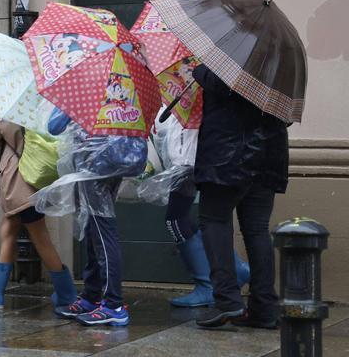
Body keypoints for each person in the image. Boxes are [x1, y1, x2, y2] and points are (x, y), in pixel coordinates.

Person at [192, 64, 287, 329]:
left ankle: (227, 300)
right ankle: (265, 307)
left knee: (214, 220)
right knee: (257, 229)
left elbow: (218, 82)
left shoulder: (233, 55)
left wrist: (199, 70)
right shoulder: (281, 64)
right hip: (269, 153)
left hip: (228, 153)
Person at [0, 107, 77, 312]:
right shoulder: (37, 103)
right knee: (9, 227)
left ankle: (66, 294)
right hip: (35, 176)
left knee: (40, 236)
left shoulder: (3, 108)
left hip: (19, 182)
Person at [152, 108, 250, 308]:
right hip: (198, 158)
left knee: (176, 220)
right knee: (189, 218)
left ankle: (206, 285)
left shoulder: (190, 92)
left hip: (187, 160)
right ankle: (237, 269)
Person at [53, 126, 146, 327]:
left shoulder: (83, 104)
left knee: (103, 232)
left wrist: (64, 110)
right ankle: (92, 295)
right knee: (93, 230)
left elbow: (54, 126)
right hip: (115, 157)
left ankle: (114, 305)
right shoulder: (120, 103)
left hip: (94, 164)